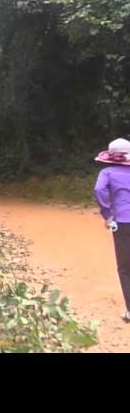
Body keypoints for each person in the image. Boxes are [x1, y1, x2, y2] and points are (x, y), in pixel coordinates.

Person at [93, 138, 130, 323]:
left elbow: (99, 190)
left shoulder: (107, 172)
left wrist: (107, 214)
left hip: (122, 222)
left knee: (125, 268)